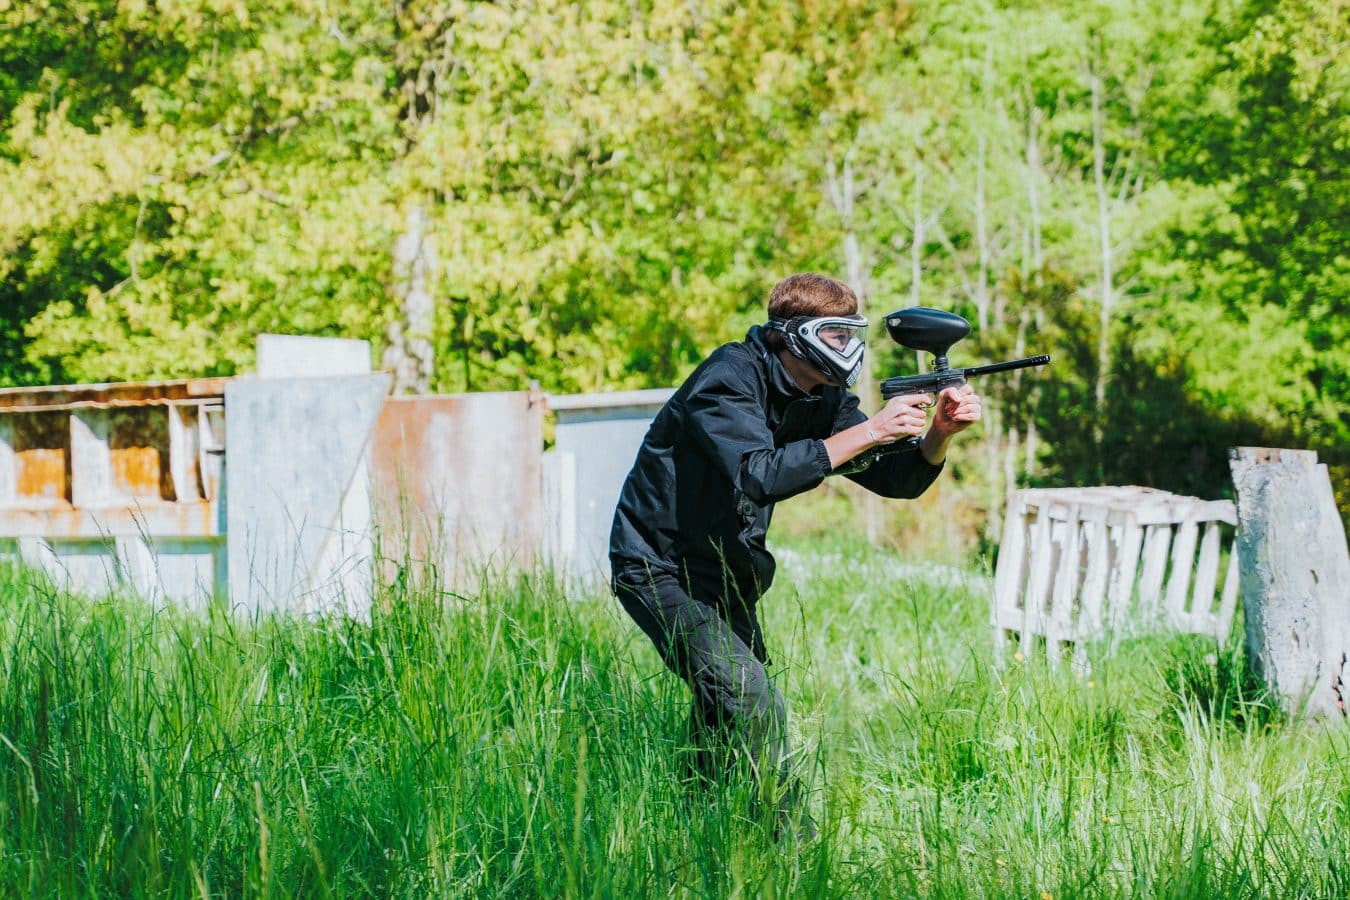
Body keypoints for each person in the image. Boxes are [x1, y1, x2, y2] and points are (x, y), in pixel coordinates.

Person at [608, 272, 981, 839]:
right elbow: (757, 474)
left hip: (727, 573)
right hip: (659, 566)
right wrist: (872, 430)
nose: (846, 347)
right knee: (749, 696)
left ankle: (685, 829)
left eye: (851, 332)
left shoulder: (823, 400)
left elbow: (896, 480)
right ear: (790, 334)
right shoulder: (727, 379)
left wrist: (938, 436)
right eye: (834, 334)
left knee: (723, 707)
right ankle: (791, 845)